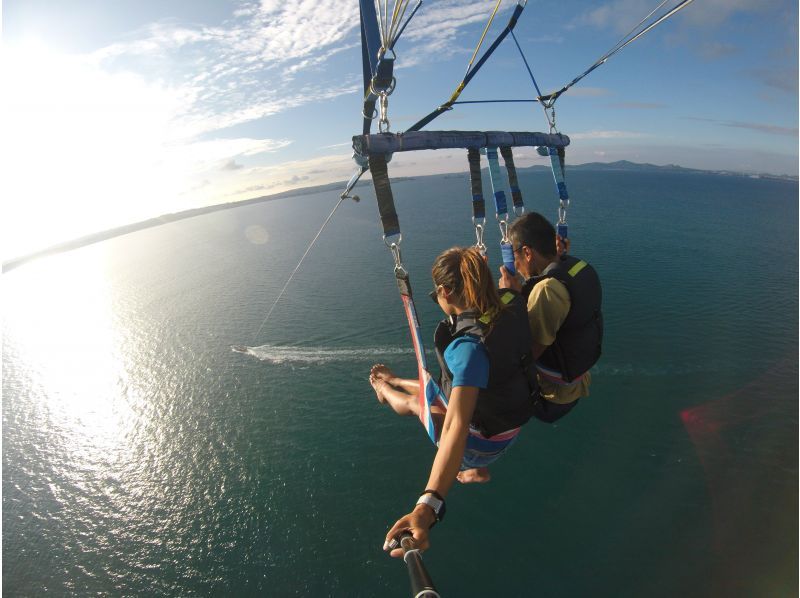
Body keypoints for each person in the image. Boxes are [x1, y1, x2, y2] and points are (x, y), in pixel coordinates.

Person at [370, 246, 538, 558]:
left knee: (421, 406)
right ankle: (396, 380)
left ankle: (385, 389)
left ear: (446, 291)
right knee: (436, 386)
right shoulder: (512, 303)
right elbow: (505, 289)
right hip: (507, 423)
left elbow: (456, 429)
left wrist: (428, 505)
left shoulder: (468, 349)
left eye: (438, 293)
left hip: (482, 444)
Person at [499, 212, 603, 423]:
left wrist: (512, 298)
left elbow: (528, 353)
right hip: (576, 381)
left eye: (513, 256)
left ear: (527, 252)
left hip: (551, 396)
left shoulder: (546, 291)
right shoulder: (577, 267)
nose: (515, 267)